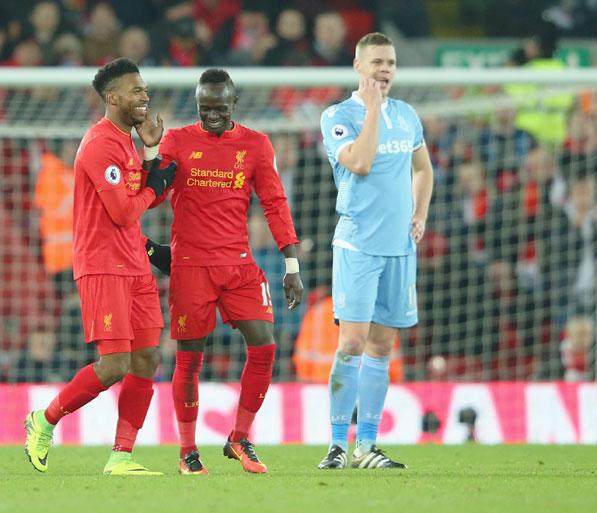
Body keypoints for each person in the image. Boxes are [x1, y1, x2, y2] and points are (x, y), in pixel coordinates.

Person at [24, 57, 176, 476]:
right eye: (135, 90)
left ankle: (122, 456)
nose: (144, 95)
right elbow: (125, 211)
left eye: (145, 88)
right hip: (102, 266)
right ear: (112, 98)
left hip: (133, 263)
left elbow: (142, 196)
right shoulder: (99, 144)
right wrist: (156, 183)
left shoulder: (125, 142)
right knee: (115, 365)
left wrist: (151, 154)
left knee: (147, 358)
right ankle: (44, 419)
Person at [148, 68, 303, 475]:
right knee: (189, 359)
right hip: (191, 267)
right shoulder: (177, 140)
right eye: (204, 108)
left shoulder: (255, 144)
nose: (211, 116)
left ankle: (239, 437)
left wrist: (291, 264)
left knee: (265, 345)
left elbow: (275, 202)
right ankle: (187, 451)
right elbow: (154, 195)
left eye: (218, 108)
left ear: (234, 104)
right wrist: (150, 155)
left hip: (238, 264)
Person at [317, 32, 433, 469]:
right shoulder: (338, 116)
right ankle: (335, 445)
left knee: (382, 348)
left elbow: (423, 170)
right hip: (359, 245)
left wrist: (419, 212)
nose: (385, 69)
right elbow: (361, 163)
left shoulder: (407, 116)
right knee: (351, 342)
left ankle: (367, 445)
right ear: (358, 66)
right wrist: (372, 112)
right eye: (377, 62)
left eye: (391, 63)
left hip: (400, 248)